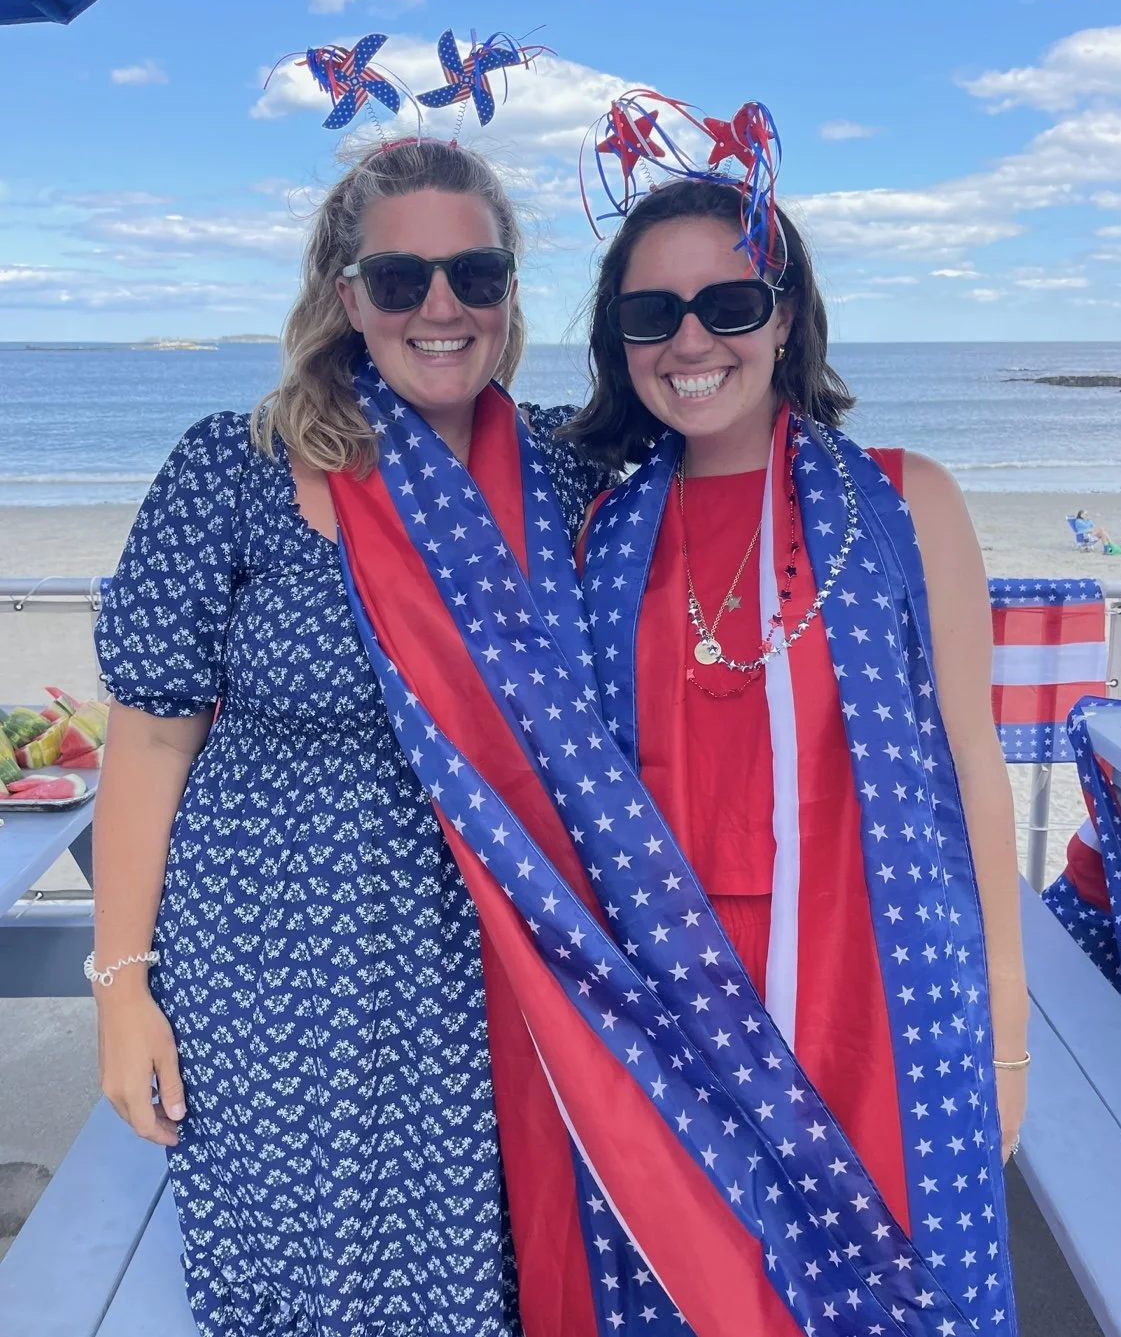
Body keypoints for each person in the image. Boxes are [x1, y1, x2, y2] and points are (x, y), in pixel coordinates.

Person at [90, 137, 609, 1337]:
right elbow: (152, 743)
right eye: (400, 280)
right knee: (301, 1288)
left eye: (475, 276)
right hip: (271, 980)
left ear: (510, 293)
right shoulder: (237, 467)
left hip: (488, 974)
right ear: (345, 298)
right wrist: (122, 989)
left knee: (486, 1273)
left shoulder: (558, 476)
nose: (441, 307)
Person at [563, 172, 1026, 1332]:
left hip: (872, 1004)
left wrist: (1002, 1035)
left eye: (727, 302)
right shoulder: (597, 537)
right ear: (617, 340)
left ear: (782, 315)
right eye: (648, 312)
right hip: (675, 1015)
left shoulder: (905, 500)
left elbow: (974, 767)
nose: (689, 339)